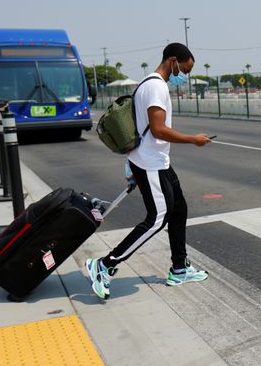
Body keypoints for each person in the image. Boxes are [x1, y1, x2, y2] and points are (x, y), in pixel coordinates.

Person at [86, 42, 212, 299]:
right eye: (184, 70)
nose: (183, 76)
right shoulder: (155, 86)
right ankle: (105, 265)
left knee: (179, 209)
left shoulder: (148, 83)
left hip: (155, 161)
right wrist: (193, 139)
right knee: (157, 219)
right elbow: (158, 130)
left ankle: (179, 268)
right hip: (150, 163)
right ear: (173, 60)